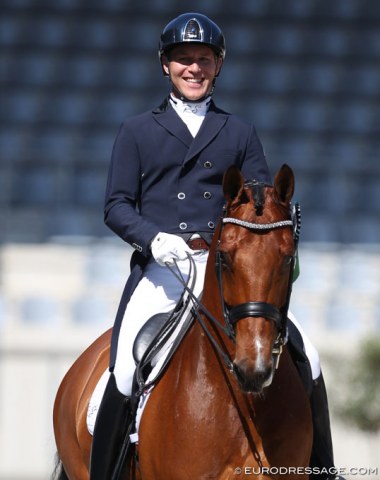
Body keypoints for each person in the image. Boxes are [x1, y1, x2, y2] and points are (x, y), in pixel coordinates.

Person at [89, 12, 339, 480]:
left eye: (204, 59)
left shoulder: (239, 131)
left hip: (227, 264)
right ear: (166, 65)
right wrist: (154, 239)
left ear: (218, 65)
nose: (194, 68)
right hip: (164, 269)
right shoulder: (137, 130)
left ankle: (325, 472)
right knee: (124, 369)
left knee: (310, 356)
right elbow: (116, 205)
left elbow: (262, 199)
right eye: (184, 59)